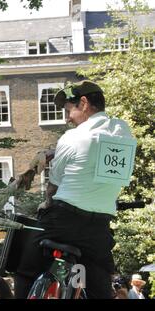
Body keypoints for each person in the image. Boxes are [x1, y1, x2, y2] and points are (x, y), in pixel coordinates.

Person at [14, 80, 135, 299]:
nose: (67, 118)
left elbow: (54, 186)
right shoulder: (123, 132)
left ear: (84, 103)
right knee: (100, 285)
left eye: (69, 110)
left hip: (62, 221)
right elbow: (96, 148)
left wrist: (46, 203)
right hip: (98, 228)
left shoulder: (71, 138)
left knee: (23, 266)